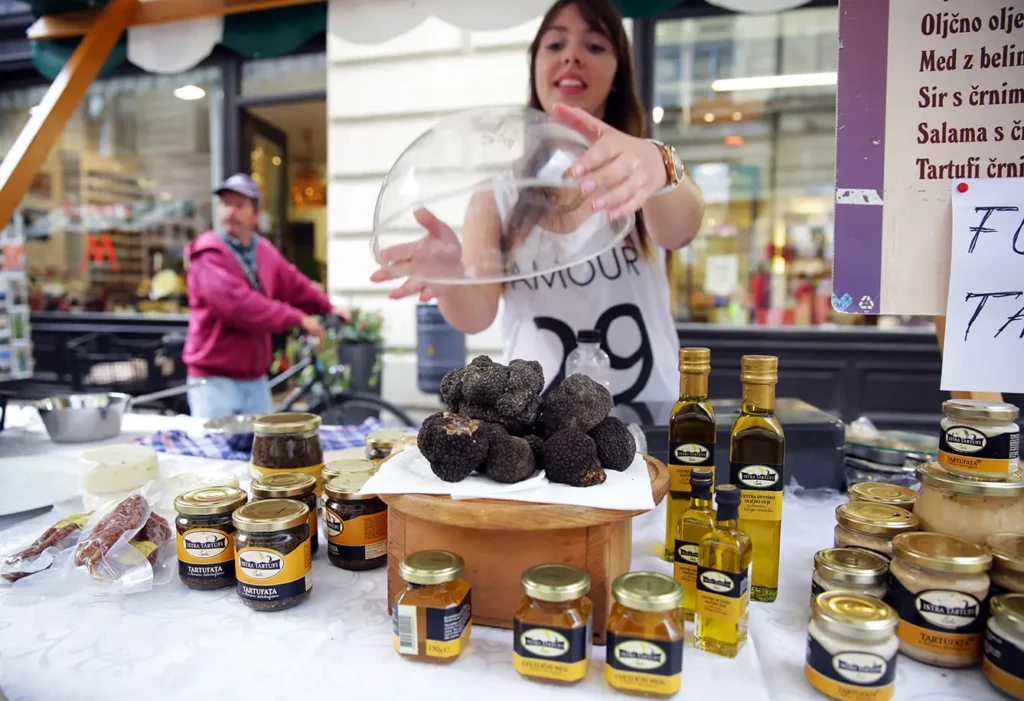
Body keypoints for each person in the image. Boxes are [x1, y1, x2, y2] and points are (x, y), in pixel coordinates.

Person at [371, 0, 704, 403]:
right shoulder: (496, 195)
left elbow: (680, 231)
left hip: (649, 422)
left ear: (618, 73)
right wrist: (450, 278)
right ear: (534, 65)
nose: (571, 56)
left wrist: (662, 164)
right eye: (554, 45)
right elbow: (477, 316)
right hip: (542, 438)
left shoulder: (638, 169)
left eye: (595, 46)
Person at [183, 173, 345, 419]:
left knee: (263, 454)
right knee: (216, 453)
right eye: (226, 203)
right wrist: (297, 318)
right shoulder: (208, 254)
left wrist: (328, 307)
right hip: (214, 380)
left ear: (256, 214)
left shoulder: (262, 249)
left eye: (240, 205)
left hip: (255, 379)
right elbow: (240, 305)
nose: (230, 211)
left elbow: (293, 282)